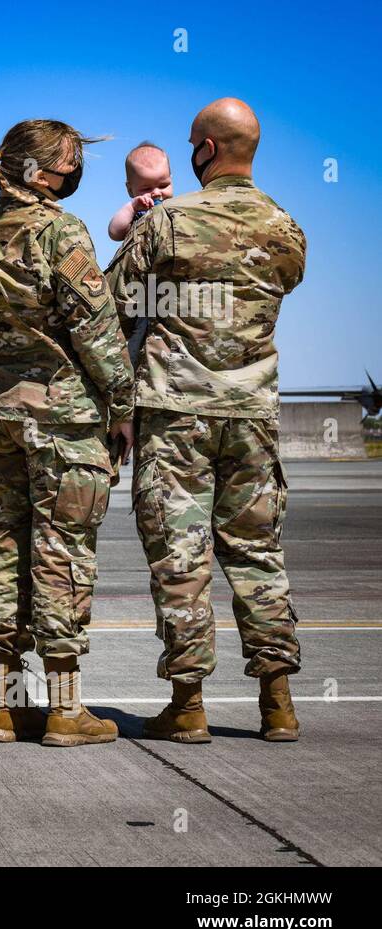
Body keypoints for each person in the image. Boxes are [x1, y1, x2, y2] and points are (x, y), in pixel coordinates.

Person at [106, 98, 307, 743]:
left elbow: (111, 299)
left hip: (176, 414)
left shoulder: (168, 224)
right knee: (257, 553)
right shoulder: (286, 227)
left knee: (179, 556)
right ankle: (277, 704)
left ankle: (188, 706)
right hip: (251, 412)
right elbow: (284, 281)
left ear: (206, 152)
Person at [0, 119, 135, 747]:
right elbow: (96, 328)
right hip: (61, 415)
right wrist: (124, 403)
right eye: (67, 162)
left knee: (5, 547)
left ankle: (3, 708)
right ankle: (64, 709)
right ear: (36, 170)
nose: (74, 172)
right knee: (62, 554)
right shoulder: (61, 231)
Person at [108, 142, 174, 242]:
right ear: (130, 190)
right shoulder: (138, 214)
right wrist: (131, 208)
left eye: (163, 185)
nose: (156, 193)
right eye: (147, 188)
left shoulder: (177, 208)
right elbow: (115, 233)